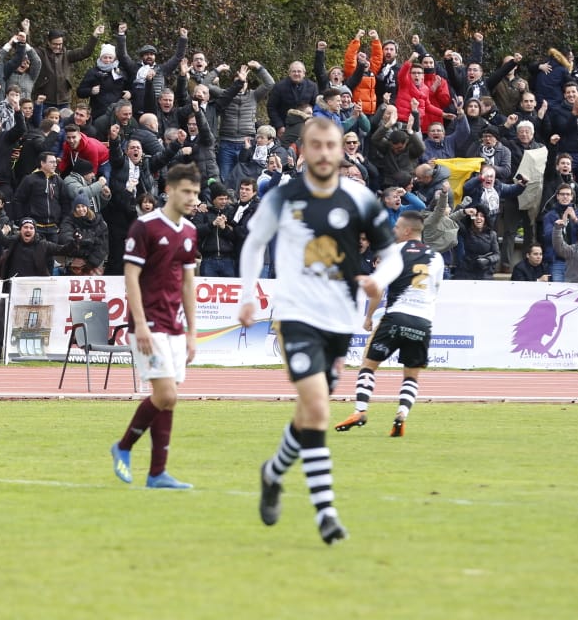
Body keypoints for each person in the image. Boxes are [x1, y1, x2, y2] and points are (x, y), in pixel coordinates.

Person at [237, 117, 402, 545]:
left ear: (341, 149)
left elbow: (393, 257)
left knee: (311, 410)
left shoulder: (359, 198)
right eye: (316, 145)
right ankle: (326, 513)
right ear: (302, 150)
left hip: (340, 321)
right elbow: (254, 243)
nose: (325, 152)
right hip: (295, 316)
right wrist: (247, 295)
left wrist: (378, 280)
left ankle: (273, 472)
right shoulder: (283, 196)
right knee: (318, 408)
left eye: (332, 145)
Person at [108, 162, 201, 490]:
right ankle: (122, 447)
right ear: (171, 190)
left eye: (196, 193)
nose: (192, 198)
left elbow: (188, 284)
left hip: (175, 326)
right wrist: (141, 325)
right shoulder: (145, 227)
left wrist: (192, 332)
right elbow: (130, 276)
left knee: (169, 399)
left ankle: (157, 473)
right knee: (166, 393)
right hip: (149, 323)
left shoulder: (189, 232)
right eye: (187, 191)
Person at [334, 211, 445, 437]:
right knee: (411, 375)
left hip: (396, 315)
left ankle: (360, 411)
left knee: (368, 365)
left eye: (396, 229)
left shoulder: (394, 253)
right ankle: (401, 414)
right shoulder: (437, 257)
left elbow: (378, 288)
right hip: (423, 320)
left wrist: (368, 317)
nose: (393, 232)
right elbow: (435, 289)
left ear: (406, 231)